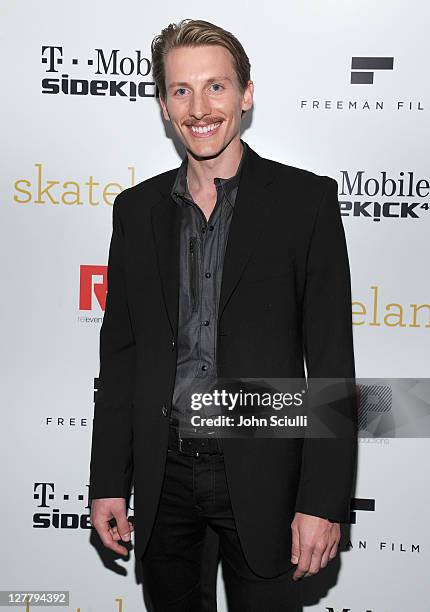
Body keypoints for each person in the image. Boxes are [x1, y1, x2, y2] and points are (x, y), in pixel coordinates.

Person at [89, 18, 358, 612]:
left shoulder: (305, 202)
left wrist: (322, 500)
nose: (200, 107)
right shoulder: (136, 212)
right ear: (163, 105)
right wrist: (109, 480)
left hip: (269, 477)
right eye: (181, 90)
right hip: (165, 480)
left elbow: (332, 362)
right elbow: (122, 353)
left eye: (216, 86)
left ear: (246, 94)